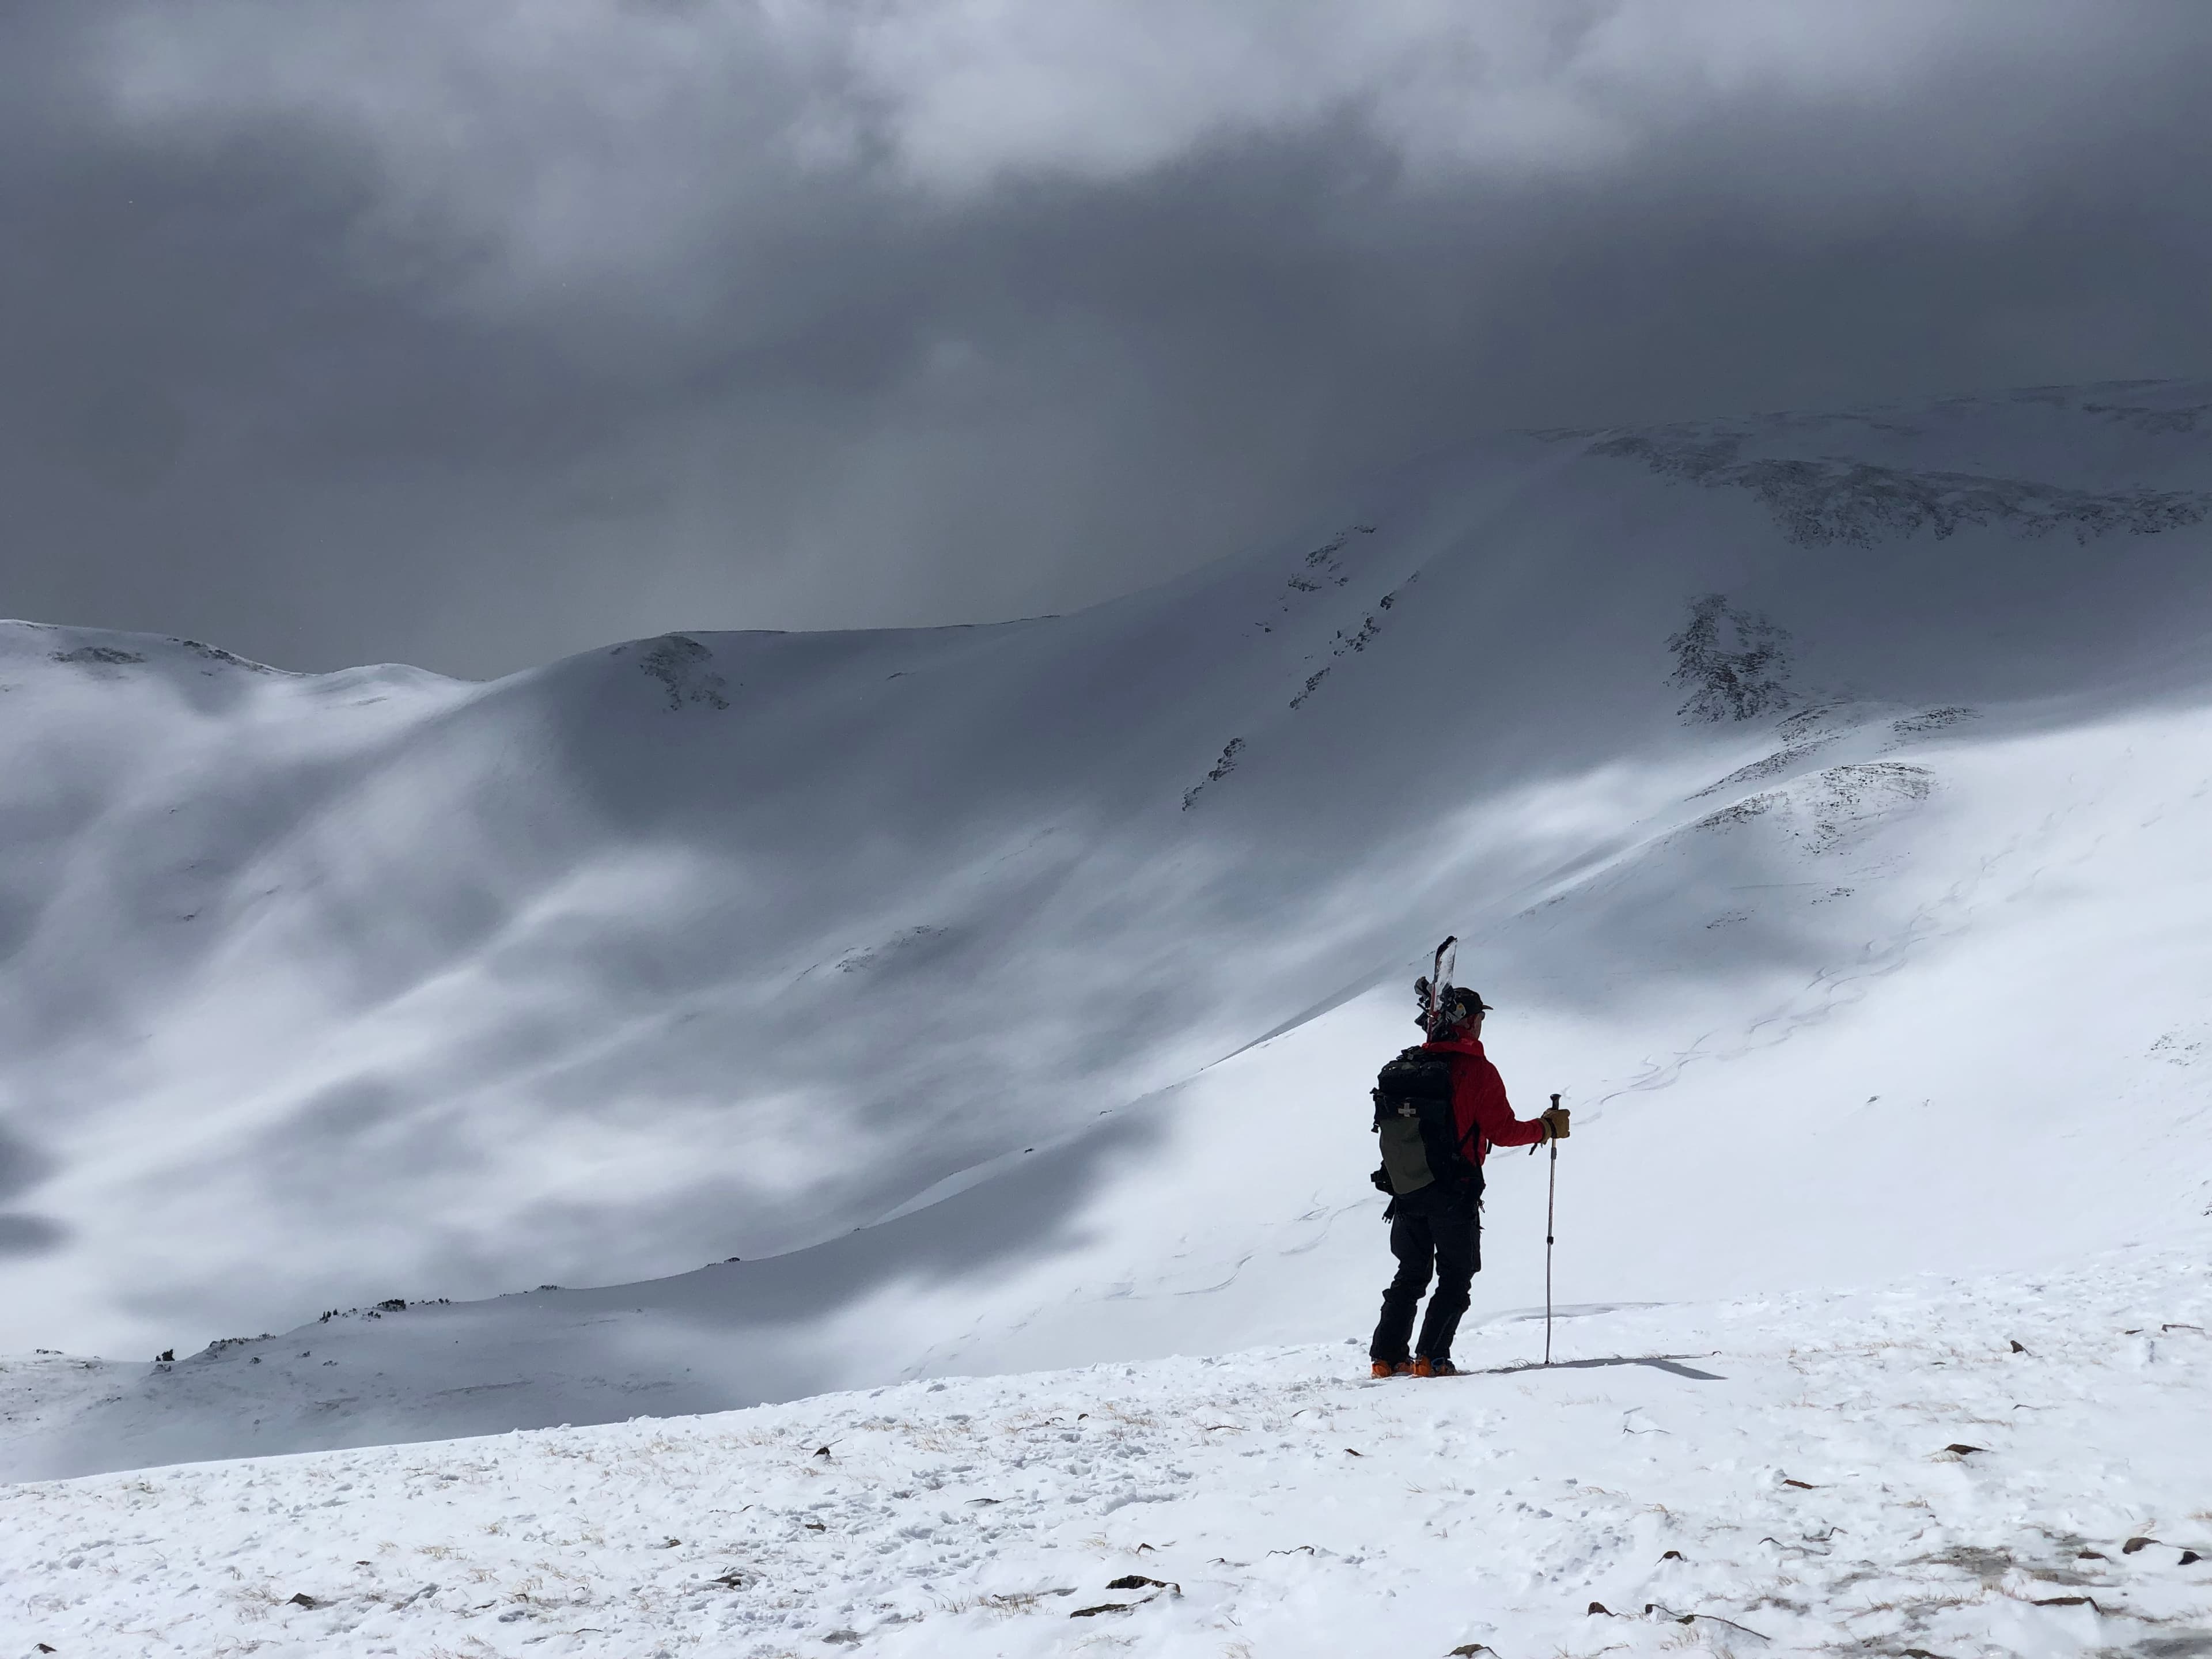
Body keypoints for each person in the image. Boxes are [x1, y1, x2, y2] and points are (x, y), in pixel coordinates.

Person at [1369, 984, 1570, 1378]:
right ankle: (1432, 1358)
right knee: (1456, 1275)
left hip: (1407, 1188)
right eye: (1479, 1018)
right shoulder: (1478, 1071)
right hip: (1454, 1189)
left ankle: (1387, 1357)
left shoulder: (1406, 1068)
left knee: (1410, 1275)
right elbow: (1503, 1130)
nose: (1481, 1025)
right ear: (1467, 1022)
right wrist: (1545, 1128)